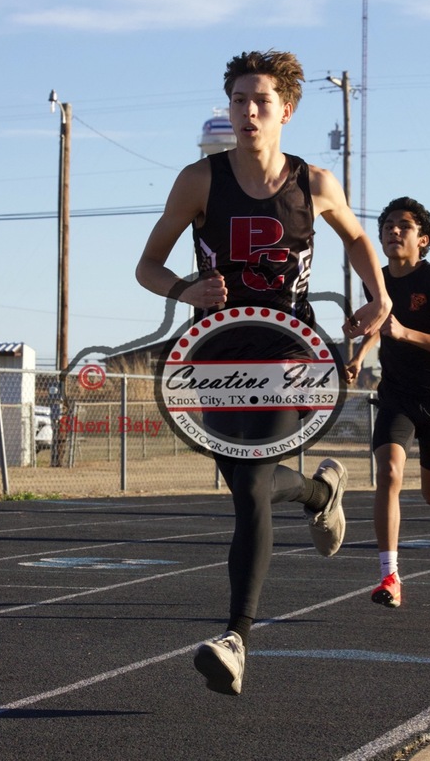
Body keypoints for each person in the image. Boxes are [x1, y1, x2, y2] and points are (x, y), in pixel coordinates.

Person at [136, 49, 391, 695]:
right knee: (247, 486)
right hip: (216, 357)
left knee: (250, 484)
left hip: (288, 354)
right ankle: (319, 494)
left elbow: (357, 238)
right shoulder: (199, 180)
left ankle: (235, 638)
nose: (248, 112)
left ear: (287, 110)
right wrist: (186, 289)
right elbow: (147, 267)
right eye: (238, 100)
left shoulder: (315, 182)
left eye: (261, 101)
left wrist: (379, 295)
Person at [345, 196, 430, 609]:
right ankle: (390, 576)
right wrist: (359, 355)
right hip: (396, 394)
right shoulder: (377, 281)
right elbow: (380, 325)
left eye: (404, 226)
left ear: (423, 239)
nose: (394, 231)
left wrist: (405, 333)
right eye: (388, 226)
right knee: (389, 472)